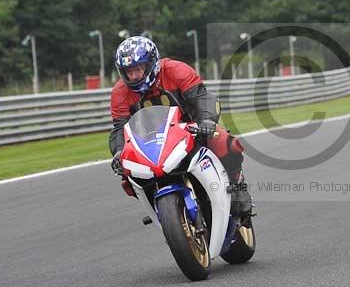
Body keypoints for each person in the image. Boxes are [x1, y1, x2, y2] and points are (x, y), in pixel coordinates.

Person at [108, 35, 253, 218]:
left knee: (223, 140)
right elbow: (119, 128)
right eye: (129, 71)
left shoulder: (175, 70)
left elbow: (203, 98)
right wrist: (119, 152)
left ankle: (238, 187)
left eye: (138, 68)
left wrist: (206, 121)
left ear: (151, 63)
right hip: (151, 144)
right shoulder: (120, 92)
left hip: (191, 130)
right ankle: (157, 206)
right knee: (126, 173)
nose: (134, 75)